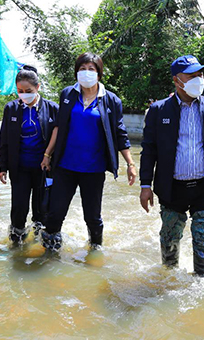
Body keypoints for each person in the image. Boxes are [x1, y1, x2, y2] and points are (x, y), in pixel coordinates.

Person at [139, 55, 204, 276]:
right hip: (172, 187)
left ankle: (202, 281)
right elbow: (149, 149)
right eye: (192, 76)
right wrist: (145, 185)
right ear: (177, 80)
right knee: (170, 238)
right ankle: (169, 279)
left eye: (200, 75)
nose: (198, 79)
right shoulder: (159, 110)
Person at [40, 52, 137, 255]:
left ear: (99, 74)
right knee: (55, 213)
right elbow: (58, 126)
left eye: (91, 69)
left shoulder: (111, 101)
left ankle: (95, 252)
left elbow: (120, 133)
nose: (86, 73)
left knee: (92, 216)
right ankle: (49, 255)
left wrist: (130, 163)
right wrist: (47, 154)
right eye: (82, 69)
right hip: (65, 166)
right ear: (76, 73)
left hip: (93, 169)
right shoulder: (68, 94)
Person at [0, 66, 59, 244]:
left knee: (42, 208)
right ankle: (17, 242)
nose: (24, 95)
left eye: (28, 91)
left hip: (44, 168)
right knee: (19, 207)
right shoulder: (11, 109)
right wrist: (3, 166)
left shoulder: (52, 108)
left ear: (38, 87)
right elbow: (4, 139)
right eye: (20, 91)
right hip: (20, 168)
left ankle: (40, 241)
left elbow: (60, 137)